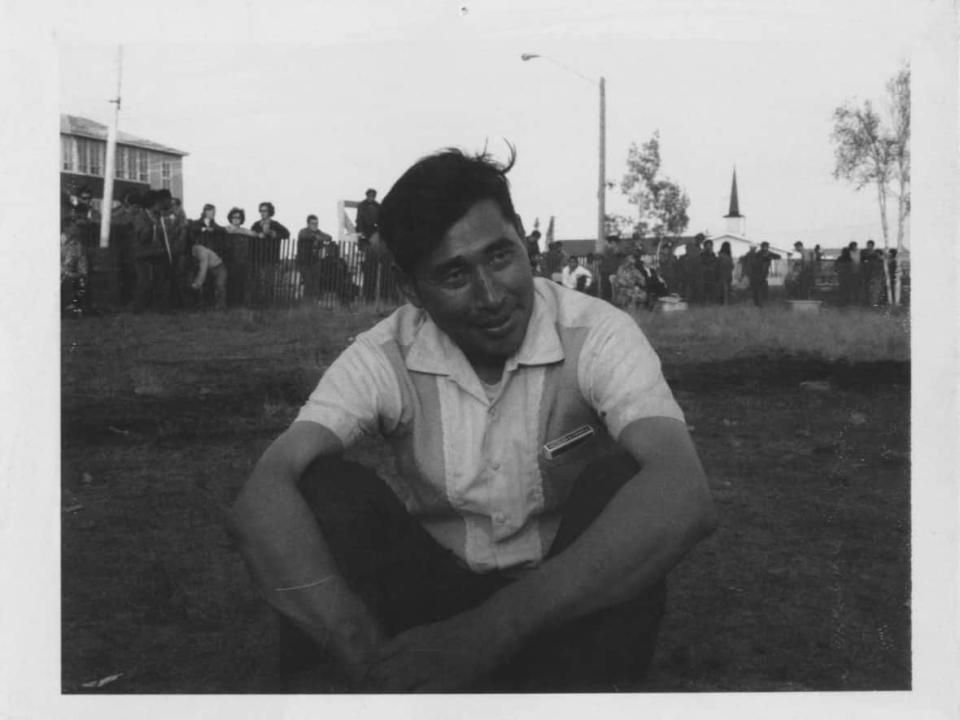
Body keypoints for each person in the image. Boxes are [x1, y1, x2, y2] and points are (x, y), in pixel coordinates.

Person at [229, 148, 716, 693]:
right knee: (320, 487)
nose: (491, 295)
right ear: (411, 289)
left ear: (525, 243)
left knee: (625, 479)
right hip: (434, 602)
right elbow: (263, 492)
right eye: (454, 274)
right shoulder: (385, 351)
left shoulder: (596, 331)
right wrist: (363, 650)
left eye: (502, 257)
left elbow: (684, 492)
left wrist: (489, 634)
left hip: (568, 601)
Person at [131, 190, 176, 313]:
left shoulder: (159, 216)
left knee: (161, 280)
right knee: (145, 281)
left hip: (157, 252)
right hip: (143, 254)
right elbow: (143, 237)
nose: (160, 205)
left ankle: (162, 308)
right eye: (158, 203)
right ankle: (138, 308)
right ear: (151, 203)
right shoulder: (140, 216)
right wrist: (155, 227)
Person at [250, 202, 291, 306]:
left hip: (270, 258)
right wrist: (257, 235)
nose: (262, 213)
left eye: (265, 211)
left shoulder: (275, 225)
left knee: (269, 282)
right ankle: (257, 305)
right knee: (258, 282)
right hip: (257, 258)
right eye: (261, 210)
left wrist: (273, 233)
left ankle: (268, 306)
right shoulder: (256, 225)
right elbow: (250, 237)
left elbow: (287, 234)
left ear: (270, 212)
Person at [61, 205, 89, 318]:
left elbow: (82, 263)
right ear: (67, 227)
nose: (78, 229)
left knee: (78, 281)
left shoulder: (78, 245)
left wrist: (81, 273)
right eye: (75, 226)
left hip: (71, 276)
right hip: (58, 275)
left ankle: (72, 308)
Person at [224, 207, 256, 306]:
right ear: (230, 218)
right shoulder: (227, 229)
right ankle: (231, 304)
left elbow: (254, 234)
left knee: (241, 283)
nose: (236, 219)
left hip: (243, 261)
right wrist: (240, 231)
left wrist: (241, 231)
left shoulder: (244, 231)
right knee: (230, 283)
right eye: (234, 217)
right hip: (230, 260)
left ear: (242, 219)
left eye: (238, 217)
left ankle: (240, 304)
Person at [298, 215, 332, 300]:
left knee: (316, 283)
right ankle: (306, 303)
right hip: (304, 262)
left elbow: (328, 237)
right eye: (313, 223)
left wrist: (319, 237)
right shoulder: (303, 231)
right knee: (308, 282)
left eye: (316, 223)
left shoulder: (318, 232)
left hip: (315, 261)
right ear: (308, 224)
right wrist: (316, 237)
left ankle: (313, 304)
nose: (315, 225)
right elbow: (304, 236)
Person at [188, 237, 228, 310]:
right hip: (211, 269)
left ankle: (222, 306)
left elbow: (203, 269)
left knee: (219, 285)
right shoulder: (194, 251)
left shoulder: (201, 252)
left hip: (219, 267)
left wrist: (197, 283)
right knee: (209, 287)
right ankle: (206, 305)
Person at [749, 241, 781, 307]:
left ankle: (761, 303)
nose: (766, 248)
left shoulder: (769, 253)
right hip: (757, 273)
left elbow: (778, 256)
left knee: (762, 290)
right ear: (762, 247)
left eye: (767, 247)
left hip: (764, 274)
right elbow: (754, 263)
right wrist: (763, 259)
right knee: (757, 289)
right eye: (764, 247)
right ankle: (758, 304)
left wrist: (770, 257)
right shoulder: (758, 254)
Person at [598, 236, 622, 303]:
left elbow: (618, 264)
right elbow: (602, 265)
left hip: (613, 275)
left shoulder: (616, 254)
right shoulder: (607, 252)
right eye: (616, 243)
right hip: (606, 275)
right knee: (607, 295)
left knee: (612, 295)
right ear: (612, 243)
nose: (617, 246)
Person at [698, 239, 720, 304]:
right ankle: (703, 303)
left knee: (712, 290)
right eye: (707, 245)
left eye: (710, 245)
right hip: (704, 275)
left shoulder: (713, 254)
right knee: (703, 290)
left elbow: (715, 263)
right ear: (705, 246)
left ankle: (711, 303)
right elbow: (700, 264)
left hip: (712, 275)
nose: (709, 247)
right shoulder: (702, 254)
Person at [717, 241, 734, 305]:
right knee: (725, 289)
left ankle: (725, 302)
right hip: (724, 274)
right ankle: (725, 302)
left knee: (725, 289)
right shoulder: (724, 256)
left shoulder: (721, 255)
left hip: (726, 274)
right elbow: (731, 265)